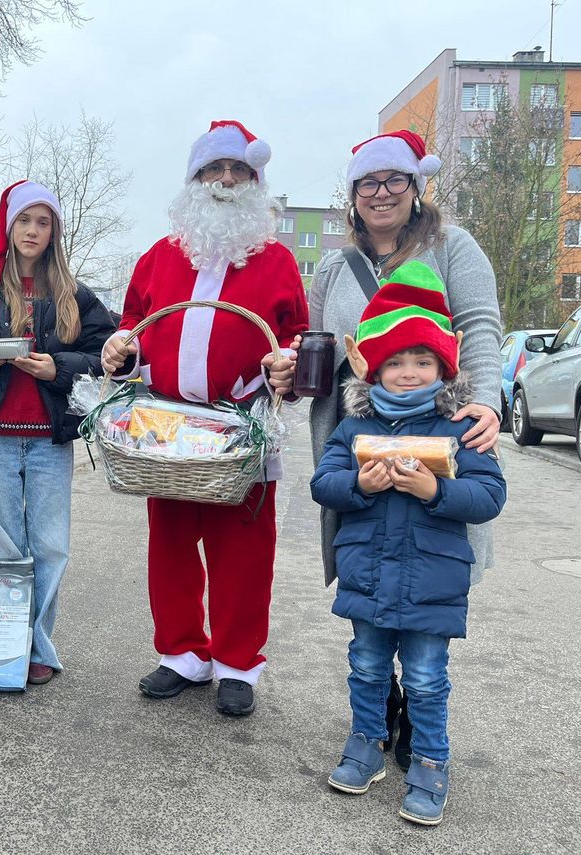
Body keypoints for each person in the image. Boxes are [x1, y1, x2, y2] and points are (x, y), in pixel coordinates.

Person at [300, 129, 503, 769]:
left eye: (394, 181)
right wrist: (290, 363)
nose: (381, 193)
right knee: (364, 550)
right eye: (368, 183)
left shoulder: (452, 246)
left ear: (416, 188)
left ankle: (419, 711)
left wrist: (487, 401)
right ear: (353, 195)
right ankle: (376, 701)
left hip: (439, 419)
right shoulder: (334, 264)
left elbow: (478, 326)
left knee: (426, 552)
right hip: (355, 423)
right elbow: (319, 341)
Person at [101, 121, 308, 716]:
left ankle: (239, 662)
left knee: (243, 546)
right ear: (193, 180)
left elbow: (294, 335)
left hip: (241, 425)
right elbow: (134, 324)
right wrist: (122, 349)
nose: (223, 180)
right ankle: (181, 653)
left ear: (254, 181)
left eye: (236, 171)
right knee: (169, 541)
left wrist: (285, 363)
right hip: (165, 428)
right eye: (211, 170)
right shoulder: (159, 257)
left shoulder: (276, 262)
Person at [310, 261, 506, 826]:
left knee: (425, 676)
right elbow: (324, 484)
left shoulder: (460, 427)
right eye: (396, 361)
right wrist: (360, 485)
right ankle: (367, 743)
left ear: (444, 365)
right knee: (367, 665)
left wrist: (436, 489)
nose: (410, 372)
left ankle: (429, 762)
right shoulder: (354, 428)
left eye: (423, 360)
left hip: (432, 581)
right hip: (369, 574)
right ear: (373, 369)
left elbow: (490, 495)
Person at [0, 180, 114, 685]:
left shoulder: (75, 295)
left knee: (50, 545)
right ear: (8, 227)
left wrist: (57, 368)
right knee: (2, 546)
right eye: (24, 221)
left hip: (51, 439)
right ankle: (7, 647)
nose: (33, 231)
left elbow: (107, 359)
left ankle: (37, 646)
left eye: (43, 221)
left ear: (54, 231)